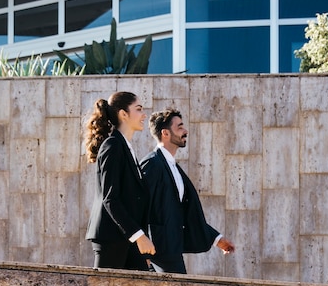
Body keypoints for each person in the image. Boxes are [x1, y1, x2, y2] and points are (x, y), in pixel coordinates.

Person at [139, 107, 235, 274]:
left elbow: (185, 212)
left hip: (171, 247)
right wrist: (141, 251)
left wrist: (216, 239)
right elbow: (139, 206)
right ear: (165, 133)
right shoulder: (153, 164)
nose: (185, 131)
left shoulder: (173, 166)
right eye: (180, 127)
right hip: (158, 250)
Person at [84, 91, 155, 270]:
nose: (143, 115)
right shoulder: (113, 146)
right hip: (112, 238)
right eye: (138, 109)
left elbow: (134, 202)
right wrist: (139, 236)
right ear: (124, 114)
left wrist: (142, 247)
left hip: (128, 238)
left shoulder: (126, 148)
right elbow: (110, 199)